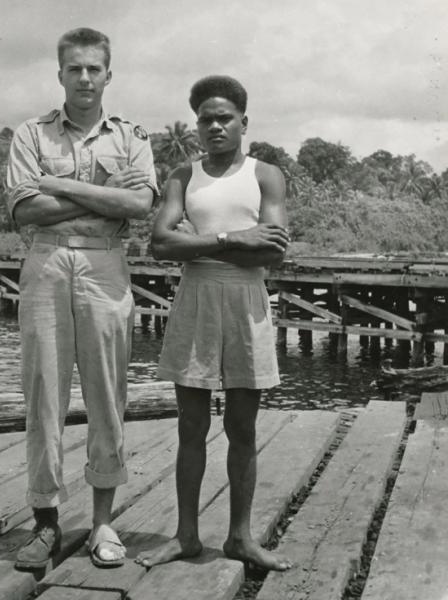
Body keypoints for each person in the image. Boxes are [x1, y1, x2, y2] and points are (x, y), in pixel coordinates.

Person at [6, 27, 157, 569]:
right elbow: (25, 211)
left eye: (95, 68)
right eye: (75, 69)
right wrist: (103, 197)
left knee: (106, 394)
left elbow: (138, 205)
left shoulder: (131, 136)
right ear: (61, 73)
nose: (85, 77)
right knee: (43, 393)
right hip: (45, 262)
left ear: (108, 74)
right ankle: (45, 522)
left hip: (106, 265)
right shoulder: (31, 134)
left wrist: (61, 186)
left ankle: (102, 523)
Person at [136, 75, 292, 571]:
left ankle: (241, 538)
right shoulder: (183, 176)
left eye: (225, 118)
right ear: (197, 127)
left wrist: (203, 240)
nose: (215, 126)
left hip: (247, 301)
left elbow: (274, 250)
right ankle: (185, 536)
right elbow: (159, 244)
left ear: (244, 122)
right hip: (195, 298)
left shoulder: (266, 175)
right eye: (206, 119)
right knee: (191, 426)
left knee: (242, 427)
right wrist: (233, 237)